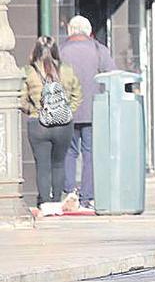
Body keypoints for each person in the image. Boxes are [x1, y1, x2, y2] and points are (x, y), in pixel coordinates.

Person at [59, 16, 117, 210]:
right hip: (94, 111)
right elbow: (111, 75)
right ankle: (87, 196)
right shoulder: (99, 50)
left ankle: (68, 191)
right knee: (91, 153)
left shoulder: (61, 51)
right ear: (89, 31)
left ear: (70, 31)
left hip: (67, 111)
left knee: (69, 152)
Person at [19, 37, 83, 215]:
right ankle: (56, 202)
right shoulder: (67, 70)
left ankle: (45, 203)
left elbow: (21, 98)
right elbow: (78, 94)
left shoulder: (28, 71)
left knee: (43, 165)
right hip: (63, 125)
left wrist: (33, 110)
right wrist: (67, 111)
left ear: (35, 51)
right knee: (58, 164)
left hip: (38, 124)